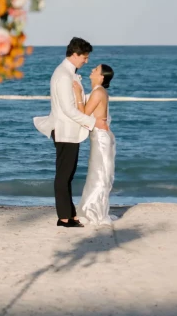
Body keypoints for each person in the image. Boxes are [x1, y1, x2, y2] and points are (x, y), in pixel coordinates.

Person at [33, 37, 108, 228]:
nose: (86, 61)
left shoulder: (69, 73)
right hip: (64, 130)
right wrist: (93, 123)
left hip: (69, 130)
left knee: (67, 174)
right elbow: (68, 109)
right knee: (64, 175)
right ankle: (64, 218)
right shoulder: (63, 75)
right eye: (85, 57)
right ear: (75, 55)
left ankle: (69, 214)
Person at [73, 64, 116, 227]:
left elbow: (83, 114)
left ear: (101, 77)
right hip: (99, 136)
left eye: (95, 70)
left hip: (101, 138)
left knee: (99, 174)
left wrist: (77, 94)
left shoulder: (98, 92)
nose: (92, 70)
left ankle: (93, 212)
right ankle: (94, 210)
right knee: (98, 173)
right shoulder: (99, 91)